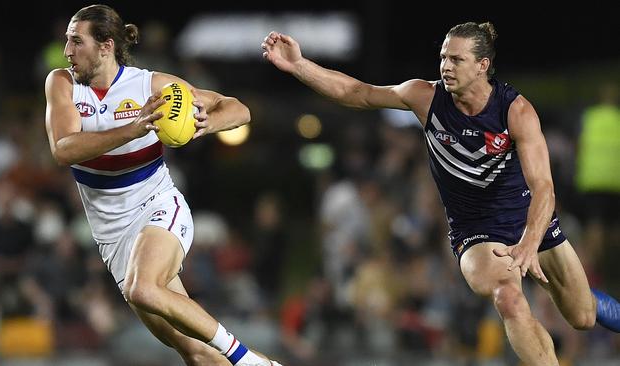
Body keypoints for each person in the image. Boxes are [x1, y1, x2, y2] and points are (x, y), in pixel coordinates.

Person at [262, 22, 620, 365]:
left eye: (457, 60)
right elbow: (358, 92)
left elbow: (544, 187)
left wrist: (529, 243)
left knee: (583, 316)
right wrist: (299, 65)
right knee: (509, 298)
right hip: (476, 233)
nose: (446, 67)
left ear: (483, 66)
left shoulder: (516, 110)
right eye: (444, 57)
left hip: (531, 223)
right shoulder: (425, 96)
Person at [44, 5, 281, 366]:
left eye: (77, 41)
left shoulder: (149, 85)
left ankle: (250, 361)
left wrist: (206, 124)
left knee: (144, 288)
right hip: (113, 237)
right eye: (67, 41)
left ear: (106, 46)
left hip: (156, 207)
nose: (67, 51)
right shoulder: (61, 83)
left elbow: (238, 109)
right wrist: (134, 128)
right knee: (197, 353)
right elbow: (64, 149)